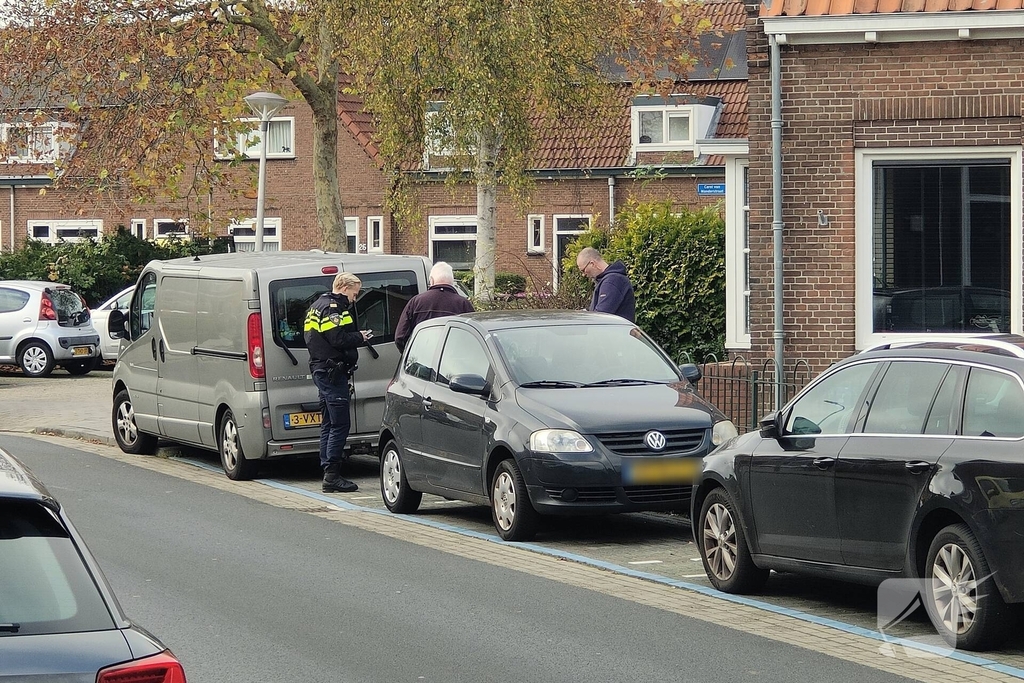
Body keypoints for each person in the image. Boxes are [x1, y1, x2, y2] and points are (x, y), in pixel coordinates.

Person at [304, 272, 372, 493]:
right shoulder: (333, 309)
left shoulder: (316, 305)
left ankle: (327, 470)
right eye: (355, 292)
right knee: (340, 424)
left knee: (328, 423)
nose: (356, 297)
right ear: (344, 287)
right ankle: (332, 476)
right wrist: (360, 337)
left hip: (322, 370)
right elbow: (338, 338)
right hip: (333, 372)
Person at [394, 261, 475, 352]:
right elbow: (473, 339)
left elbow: (400, 337)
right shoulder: (464, 304)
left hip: (423, 361)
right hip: (453, 362)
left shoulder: (416, 302)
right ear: (452, 281)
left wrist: (412, 355)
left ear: (431, 280)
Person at [576, 246, 635, 322]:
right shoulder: (607, 280)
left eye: (583, 270)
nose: (583, 274)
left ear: (592, 264)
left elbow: (600, 316)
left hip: (614, 333)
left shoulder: (612, 282)